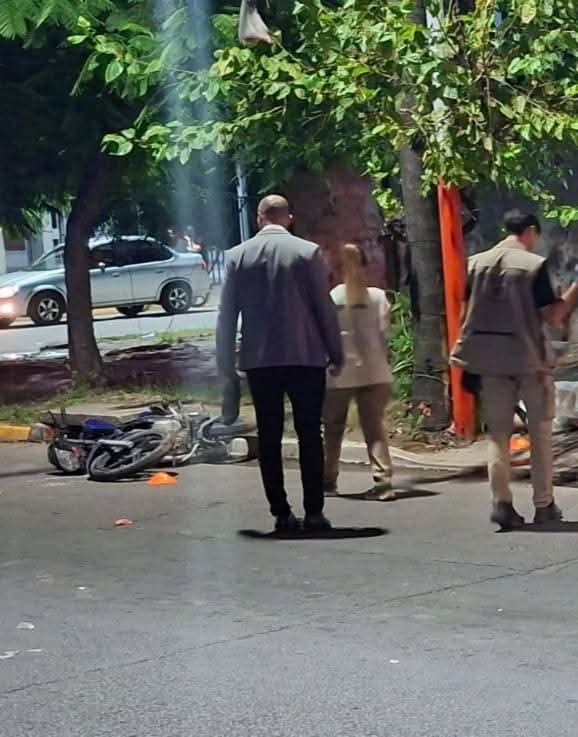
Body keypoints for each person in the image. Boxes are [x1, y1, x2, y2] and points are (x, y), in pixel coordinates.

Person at [216, 195, 343, 531]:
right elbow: (323, 308)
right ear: (289, 218)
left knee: (269, 436)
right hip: (305, 356)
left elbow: (227, 315)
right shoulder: (308, 252)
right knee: (309, 434)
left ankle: (281, 512)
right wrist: (336, 352)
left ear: (259, 219)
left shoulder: (237, 256)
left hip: (260, 360)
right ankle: (314, 512)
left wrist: (226, 361)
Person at [451, 210, 578, 530]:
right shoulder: (533, 266)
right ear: (531, 231)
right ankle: (544, 504)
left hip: (489, 360)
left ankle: (502, 503)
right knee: (540, 433)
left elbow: (466, 312)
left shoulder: (476, 263)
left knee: (498, 435)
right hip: (528, 360)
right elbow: (553, 316)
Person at [323, 243, 395, 500]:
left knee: (332, 429)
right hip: (375, 371)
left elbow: (327, 335)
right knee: (374, 429)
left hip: (340, 372)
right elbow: (384, 335)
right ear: (365, 266)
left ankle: (328, 482)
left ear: (338, 268)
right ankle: (383, 483)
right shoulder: (378, 297)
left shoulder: (333, 297)